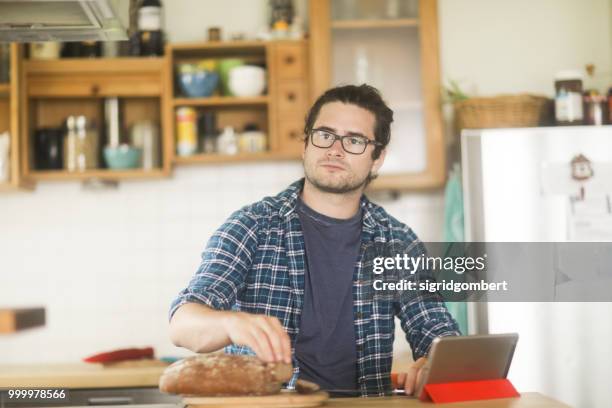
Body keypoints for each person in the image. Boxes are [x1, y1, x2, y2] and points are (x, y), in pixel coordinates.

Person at [169, 84, 460, 396]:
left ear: (377, 159)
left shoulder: (396, 240)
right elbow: (183, 324)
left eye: (355, 141)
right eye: (325, 134)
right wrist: (230, 324)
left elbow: (437, 330)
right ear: (306, 144)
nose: (335, 149)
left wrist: (433, 361)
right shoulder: (252, 225)